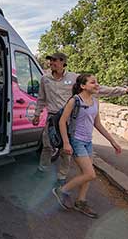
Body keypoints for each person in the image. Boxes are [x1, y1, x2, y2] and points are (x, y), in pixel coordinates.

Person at [32, 52, 128, 185]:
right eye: (50, 61)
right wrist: (37, 114)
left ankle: (61, 178)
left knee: (66, 151)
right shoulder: (45, 79)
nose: (51, 63)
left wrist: (125, 90)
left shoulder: (74, 77)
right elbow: (41, 98)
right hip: (52, 119)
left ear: (63, 62)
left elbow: (99, 89)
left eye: (54, 60)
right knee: (47, 146)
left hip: (69, 120)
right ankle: (42, 171)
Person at [52, 73, 121, 218]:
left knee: (86, 175)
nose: (97, 85)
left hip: (88, 141)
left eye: (97, 82)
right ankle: (61, 190)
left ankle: (80, 201)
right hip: (76, 141)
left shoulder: (95, 101)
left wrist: (112, 141)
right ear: (83, 86)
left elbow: (97, 124)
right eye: (93, 82)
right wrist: (66, 142)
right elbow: (62, 121)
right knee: (90, 174)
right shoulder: (75, 100)